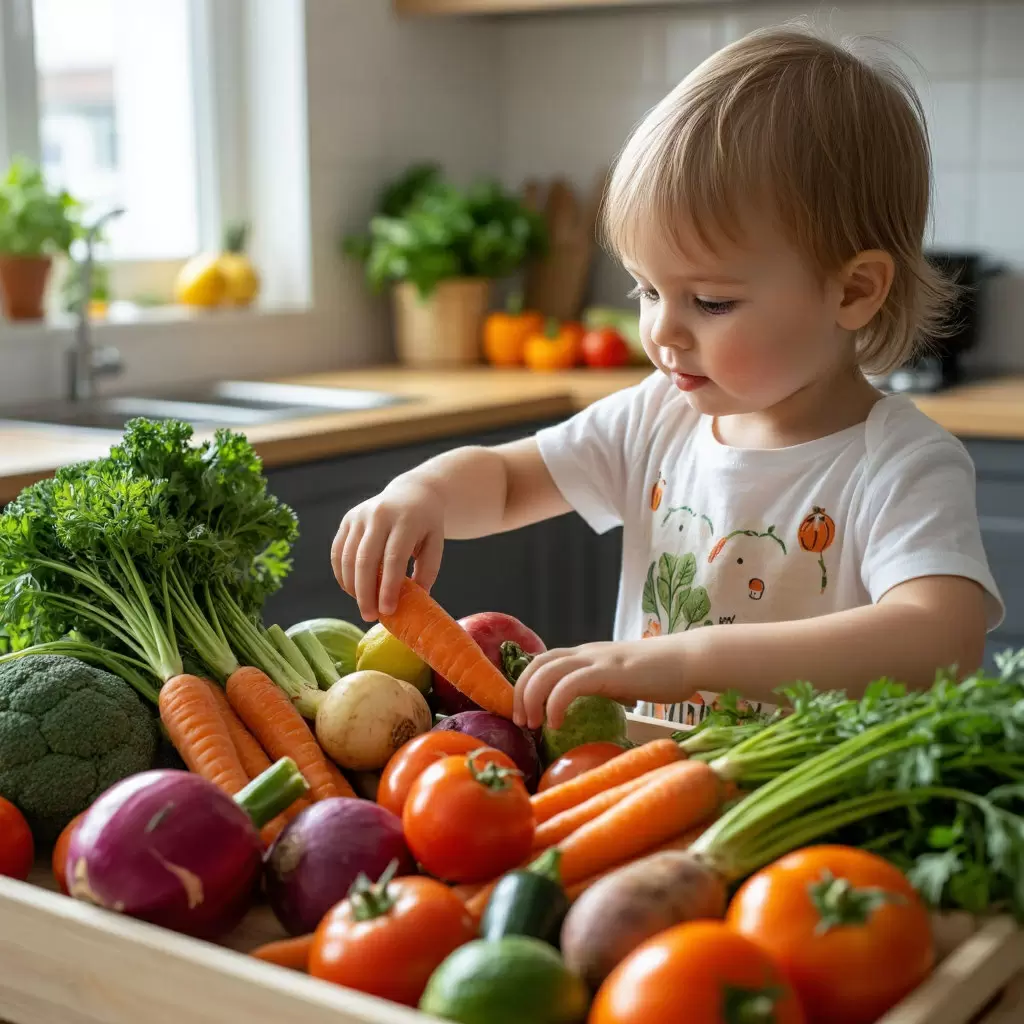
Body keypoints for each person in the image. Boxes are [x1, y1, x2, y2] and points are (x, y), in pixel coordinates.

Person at [332, 26, 1003, 734]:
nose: (663, 331)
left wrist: (690, 659)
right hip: (644, 799)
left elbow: (940, 641)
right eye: (648, 291)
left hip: (808, 833)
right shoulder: (658, 418)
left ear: (853, 291)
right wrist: (424, 493)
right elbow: (507, 481)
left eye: (710, 301)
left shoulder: (898, 464)